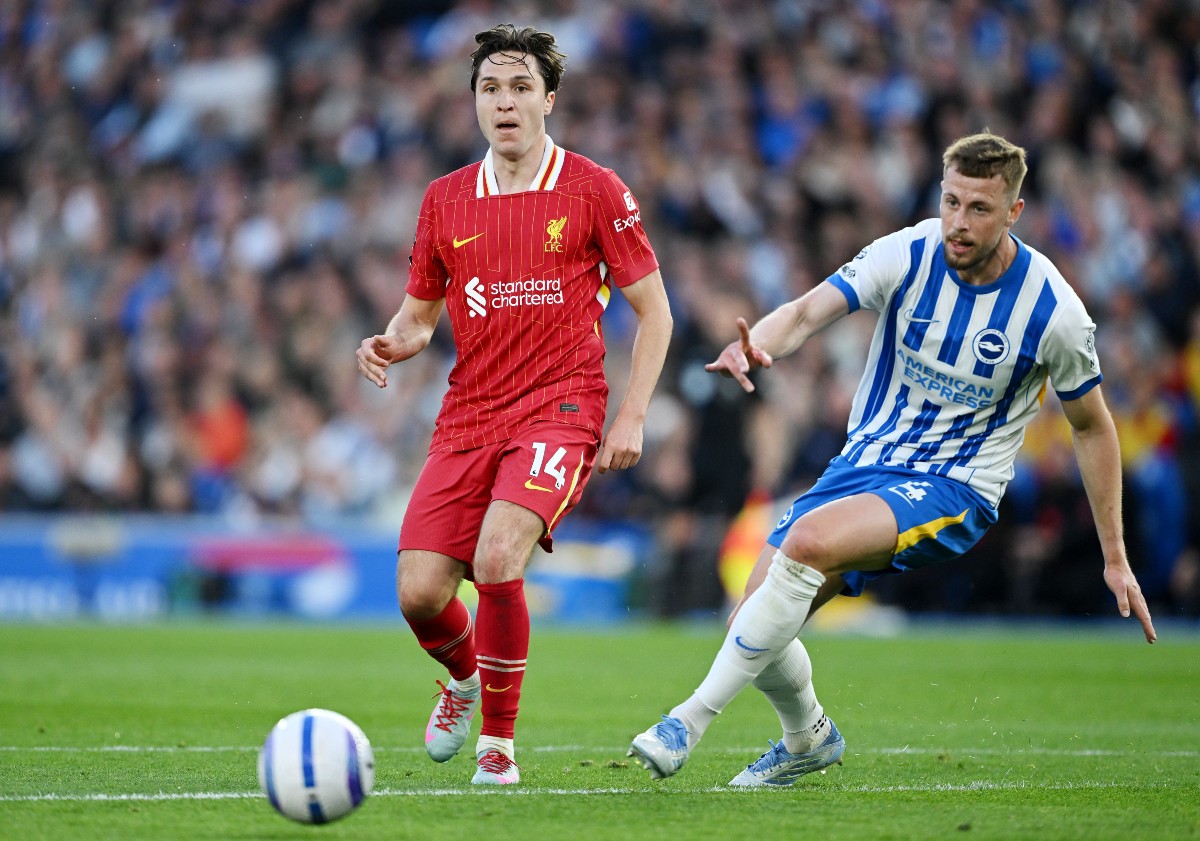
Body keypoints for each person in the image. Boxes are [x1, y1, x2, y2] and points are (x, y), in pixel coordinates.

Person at [627, 131, 1156, 787]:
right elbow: (803, 312)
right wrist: (754, 346)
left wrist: (1114, 553)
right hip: (863, 466)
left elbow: (1093, 426)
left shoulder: (1054, 312)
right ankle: (808, 738)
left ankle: (687, 720)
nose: (958, 224)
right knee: (751, 620)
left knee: (808, 541)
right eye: (951, 202)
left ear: (1015, 212)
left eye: (979, 209)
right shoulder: (907, 252)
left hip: (954, 485)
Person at [356, 24, 671, 785]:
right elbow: (421, 317)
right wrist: (393, 342)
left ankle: (498, 747)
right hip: (470, 412)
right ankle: (465, 682)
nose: (505, 102)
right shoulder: (444, 200)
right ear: (473, 102)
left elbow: (655, 312)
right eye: (491, 88)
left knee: (499, 557)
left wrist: (630, 415)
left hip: (561, 406)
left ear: (549, 99)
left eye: (521, 87)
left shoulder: (595, 188)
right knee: (419, 593)